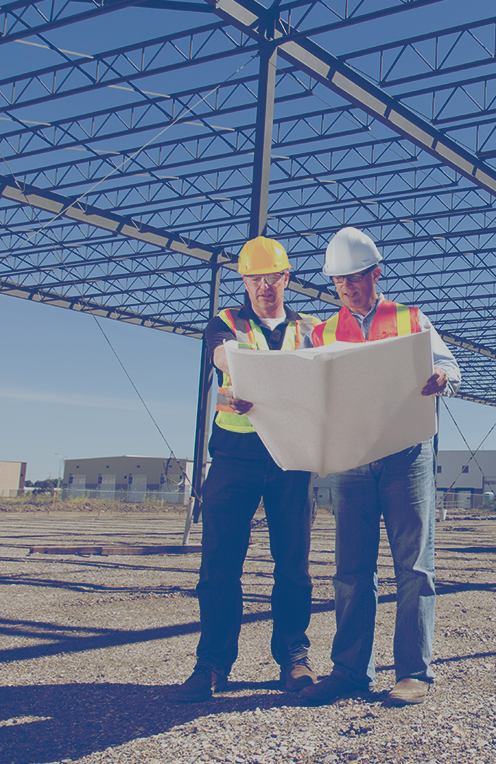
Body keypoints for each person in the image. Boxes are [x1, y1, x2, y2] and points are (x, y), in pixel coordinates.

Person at [299, 227, 460, 707]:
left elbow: (452, 367)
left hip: (407, 453)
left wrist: (441, 376)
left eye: (354, 278)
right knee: (351, 569)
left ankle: (413, 672)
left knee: (414, 566)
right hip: (352, 457)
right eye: (338, 281)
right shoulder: (321, 333)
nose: (346, 287)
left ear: (376, 274)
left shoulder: (411, 319)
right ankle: (350, 671)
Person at [175, 236, 321, 703]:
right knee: (219, 566)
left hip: (290, 458)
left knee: (293, 567)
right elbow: (222, 354)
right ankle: (212, 664)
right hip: (234, 457)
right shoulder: (226, 322)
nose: (263, 286)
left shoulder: (311, 329)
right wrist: (238, 371)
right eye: (254, 278)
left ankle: (294, 658)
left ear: (286, 278)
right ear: (243, 281)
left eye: (271, 277)